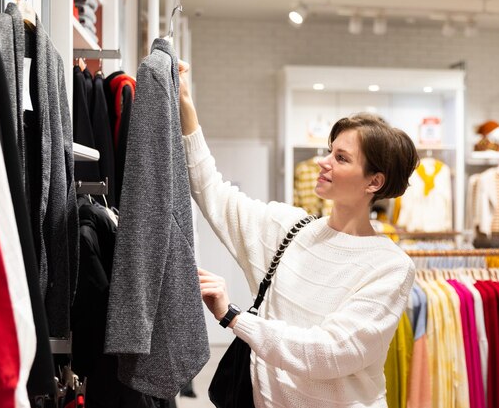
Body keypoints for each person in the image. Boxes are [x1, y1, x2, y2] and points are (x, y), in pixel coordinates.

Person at [178, 60, 419, 407]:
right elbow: (211, 190)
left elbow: (330, 353)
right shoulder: (288, 229)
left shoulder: (391, 266)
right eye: (329, 150)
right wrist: (185, 104)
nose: (324, 161)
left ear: (374, 181)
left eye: (341, 157)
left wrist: (233, 317)